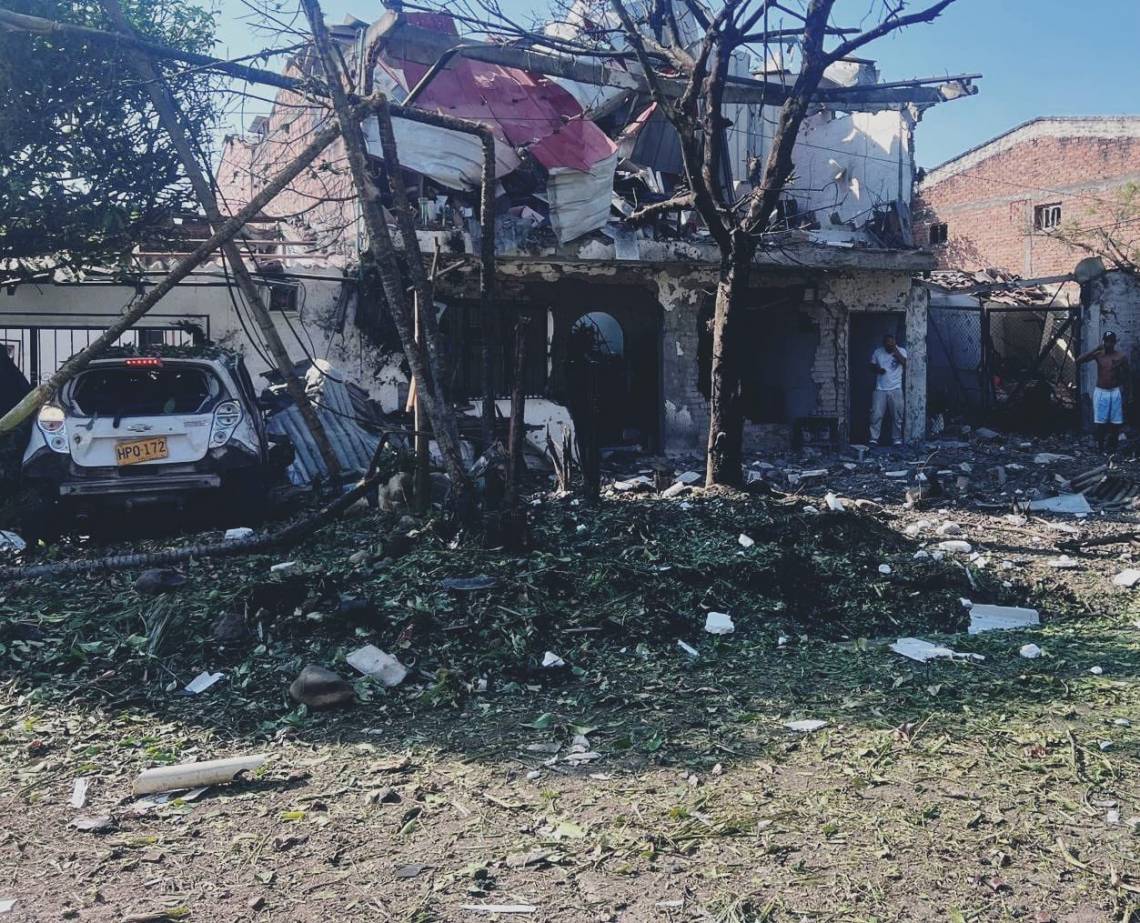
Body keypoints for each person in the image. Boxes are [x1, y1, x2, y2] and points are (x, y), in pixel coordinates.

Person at [1077, 332, 1130, 453]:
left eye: (1111, 341)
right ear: (1103, 341)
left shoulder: (1121, 357)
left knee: (1115, 422)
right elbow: (1078, 360)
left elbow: (1127, 376)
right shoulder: (1098, 355)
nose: (1108, 344)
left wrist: (1128, 393)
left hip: (1115, 391)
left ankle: (1113, 448)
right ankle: (1101, 448)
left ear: (1115, 342)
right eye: (1106, 341)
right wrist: (1095, 348)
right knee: (1101, 421)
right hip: (1101, 391)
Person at [868, 333, 907, 447]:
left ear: (895, 342)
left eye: (892, 343)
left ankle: (897, 439)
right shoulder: (878, 352)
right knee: (876, 414)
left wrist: (895, 351)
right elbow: (871, 366)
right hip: (880, 388)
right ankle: (873, 439)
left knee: (897, 415)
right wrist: (878, 370)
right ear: (884, 344)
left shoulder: (901, 351)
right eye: (887, 344)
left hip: (896, 388)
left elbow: (905, 363)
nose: (889, 346)